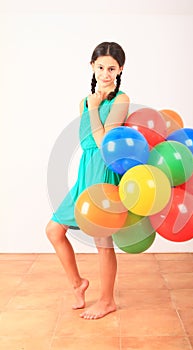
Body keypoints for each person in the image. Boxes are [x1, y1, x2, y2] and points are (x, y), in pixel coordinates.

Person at [46, 42, 130, 320]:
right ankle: (78, 284)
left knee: (102, 240)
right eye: (101, 67)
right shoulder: (84, 101)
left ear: (120, 70)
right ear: (92, 67)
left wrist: (94, 107)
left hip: (105, 173)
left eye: (112, 68)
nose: (105, 74)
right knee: (54, 230)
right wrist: (90, 105)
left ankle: (107, 301)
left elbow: (104, 142)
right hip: (85, 172)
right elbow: (86, 143)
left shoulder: (120, 100)